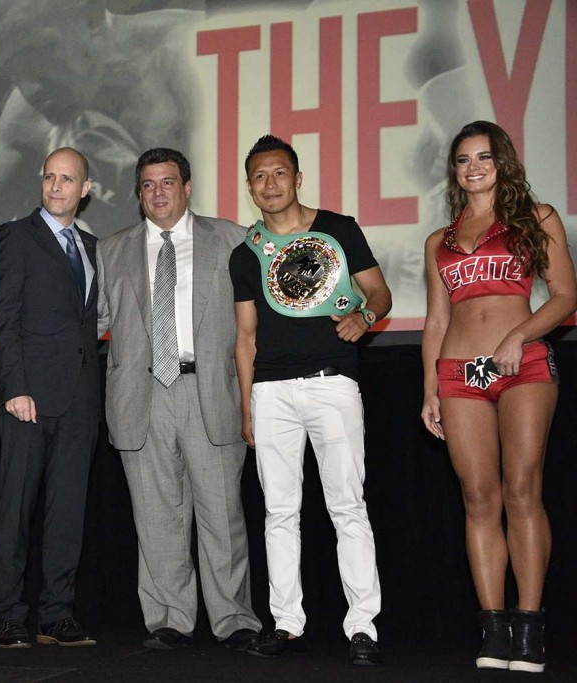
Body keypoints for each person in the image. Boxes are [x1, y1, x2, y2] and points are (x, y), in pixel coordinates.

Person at [420, 121, 577, 673]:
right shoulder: (438, 241)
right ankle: (494, 630)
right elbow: (436, 320)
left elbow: (566, 297)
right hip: (459, 373)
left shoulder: (537, 218)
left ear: (502, 162)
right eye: (463, 159)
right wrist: (430, 388)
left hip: (523, 365)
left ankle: (529, 626)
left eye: (484, 157)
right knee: (479, 497)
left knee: (521, 489)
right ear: (455, 170)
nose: (473, 167)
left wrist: (519, 335)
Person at [231, 134, 391, 665]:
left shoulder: (339, 229)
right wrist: (247, 405)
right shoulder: (245, 254)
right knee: (278, 512)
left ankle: (363, 627)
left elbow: (380, 293)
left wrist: (364, 317)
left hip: (331, 383)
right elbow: (245, 337)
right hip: (271, 391)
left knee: (347, 506)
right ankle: (285, 624)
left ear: (297, 178)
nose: (270, 183)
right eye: (259, 175)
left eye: (279, 173)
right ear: (250, 186)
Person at [96, 148, 261, 650]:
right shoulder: (111, 250)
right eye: (148, 185)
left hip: (211, 390)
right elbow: (95, 323)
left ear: (187, 188)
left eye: (168, 182)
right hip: (141, 396)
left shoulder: (232, 238)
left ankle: (234, 618)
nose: (158, 193)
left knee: (223, 516)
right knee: (156, 518)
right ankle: (169, 618)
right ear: (138, 193)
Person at [0, 0, 202, 258]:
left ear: (92, 22)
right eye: (16, 74)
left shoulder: (187, 47)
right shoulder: (34, 107)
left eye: (42, 54)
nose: (30, 89)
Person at [0, 147, 100, 649]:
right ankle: (9, 613)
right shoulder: (15, 236)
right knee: (16, 508)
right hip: (27, 397)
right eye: (50, 176)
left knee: (68, 510)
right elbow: (4, 317)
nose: (56, 186)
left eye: (67, 179)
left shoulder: (92, 246)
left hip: (80, 399)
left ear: (85, 189)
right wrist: (14, 387)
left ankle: (56, 614)